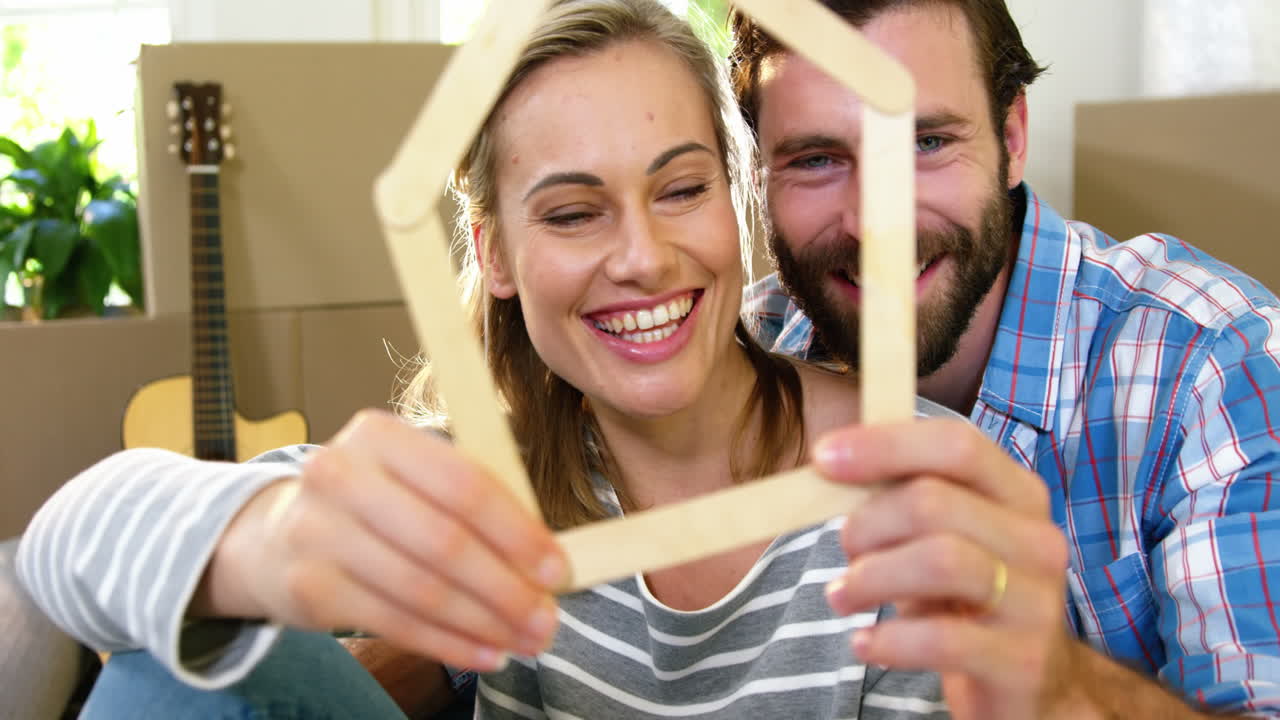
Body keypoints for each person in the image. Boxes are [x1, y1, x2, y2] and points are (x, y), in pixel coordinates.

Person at [17, 1, 958, 718]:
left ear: (735, 203)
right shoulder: (484, 476)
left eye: (680, 189)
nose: (642, 258)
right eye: (572, 212)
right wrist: (264, 543)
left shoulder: (914, 485)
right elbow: (56, 550)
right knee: (172, 674)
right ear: (496, 254)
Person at [730, 1, 1280, 718]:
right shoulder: (750, 348)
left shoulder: (1214, 369)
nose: (875, 221)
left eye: (926, 143)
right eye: (816, 159)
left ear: (1012, 137)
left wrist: (1064, 685)